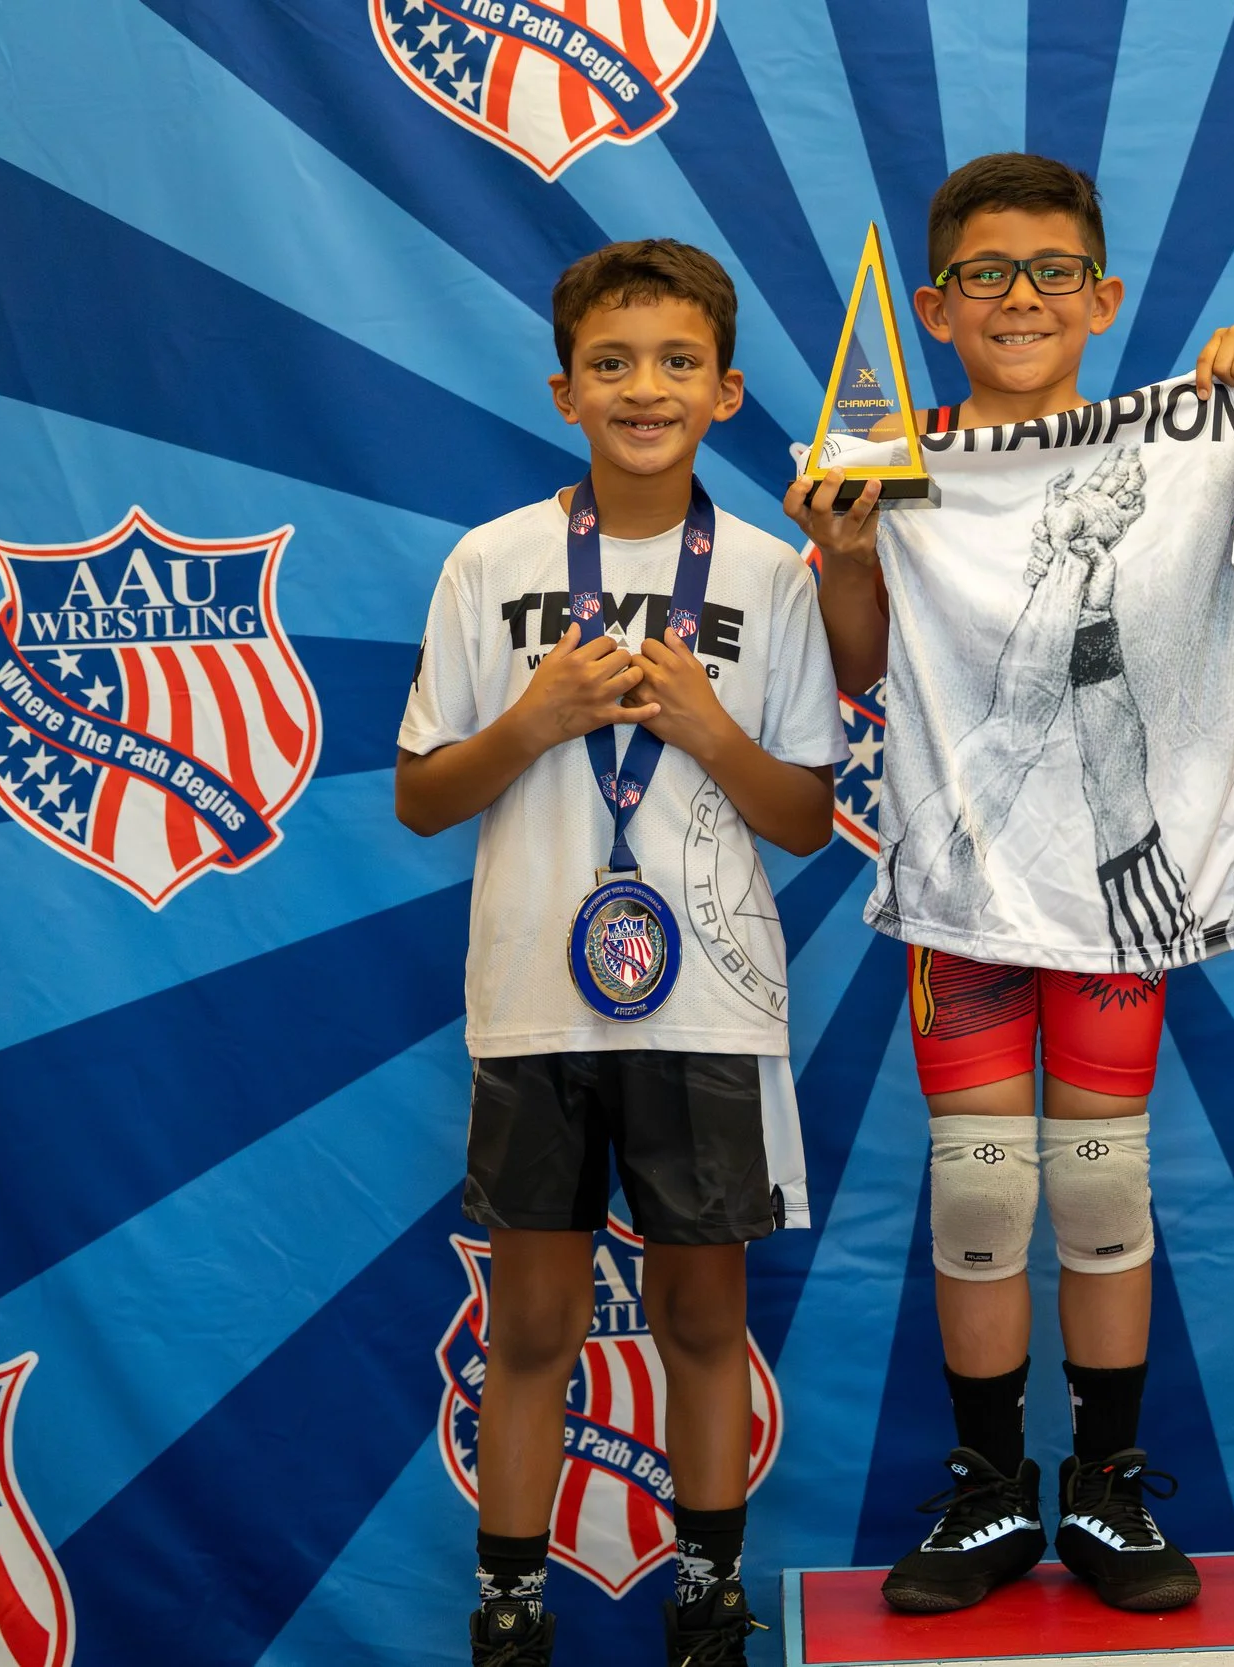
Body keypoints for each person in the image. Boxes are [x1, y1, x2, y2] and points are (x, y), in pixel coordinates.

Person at [785, 152, 1234, 1615]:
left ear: (1104, 298)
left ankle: (1104, 1484)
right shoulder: (894, 453)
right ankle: (991, 1490)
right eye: (985, 273)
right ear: (933, 304)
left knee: (1104, 1182)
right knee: (984, 1202)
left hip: (1122, 894)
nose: (1022, 298)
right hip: (962, 890)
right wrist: (843, 551)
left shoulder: (1182, 443)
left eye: (1055, 271)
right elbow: (855, 663)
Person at [397, 240, 846, 1667]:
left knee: (703, 1310)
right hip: (534, 1002)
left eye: (673, 363)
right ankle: (510, 1607)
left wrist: (706, 732)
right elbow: (420, 794)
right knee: (531, 1318)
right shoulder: (495, 559)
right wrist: (534, 720)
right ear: (563, 386)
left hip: (710, 1004)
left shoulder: (773, 577)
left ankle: (710, 1595)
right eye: (611, 362)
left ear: (724, 390)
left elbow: (807, 815)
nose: (641, 387)